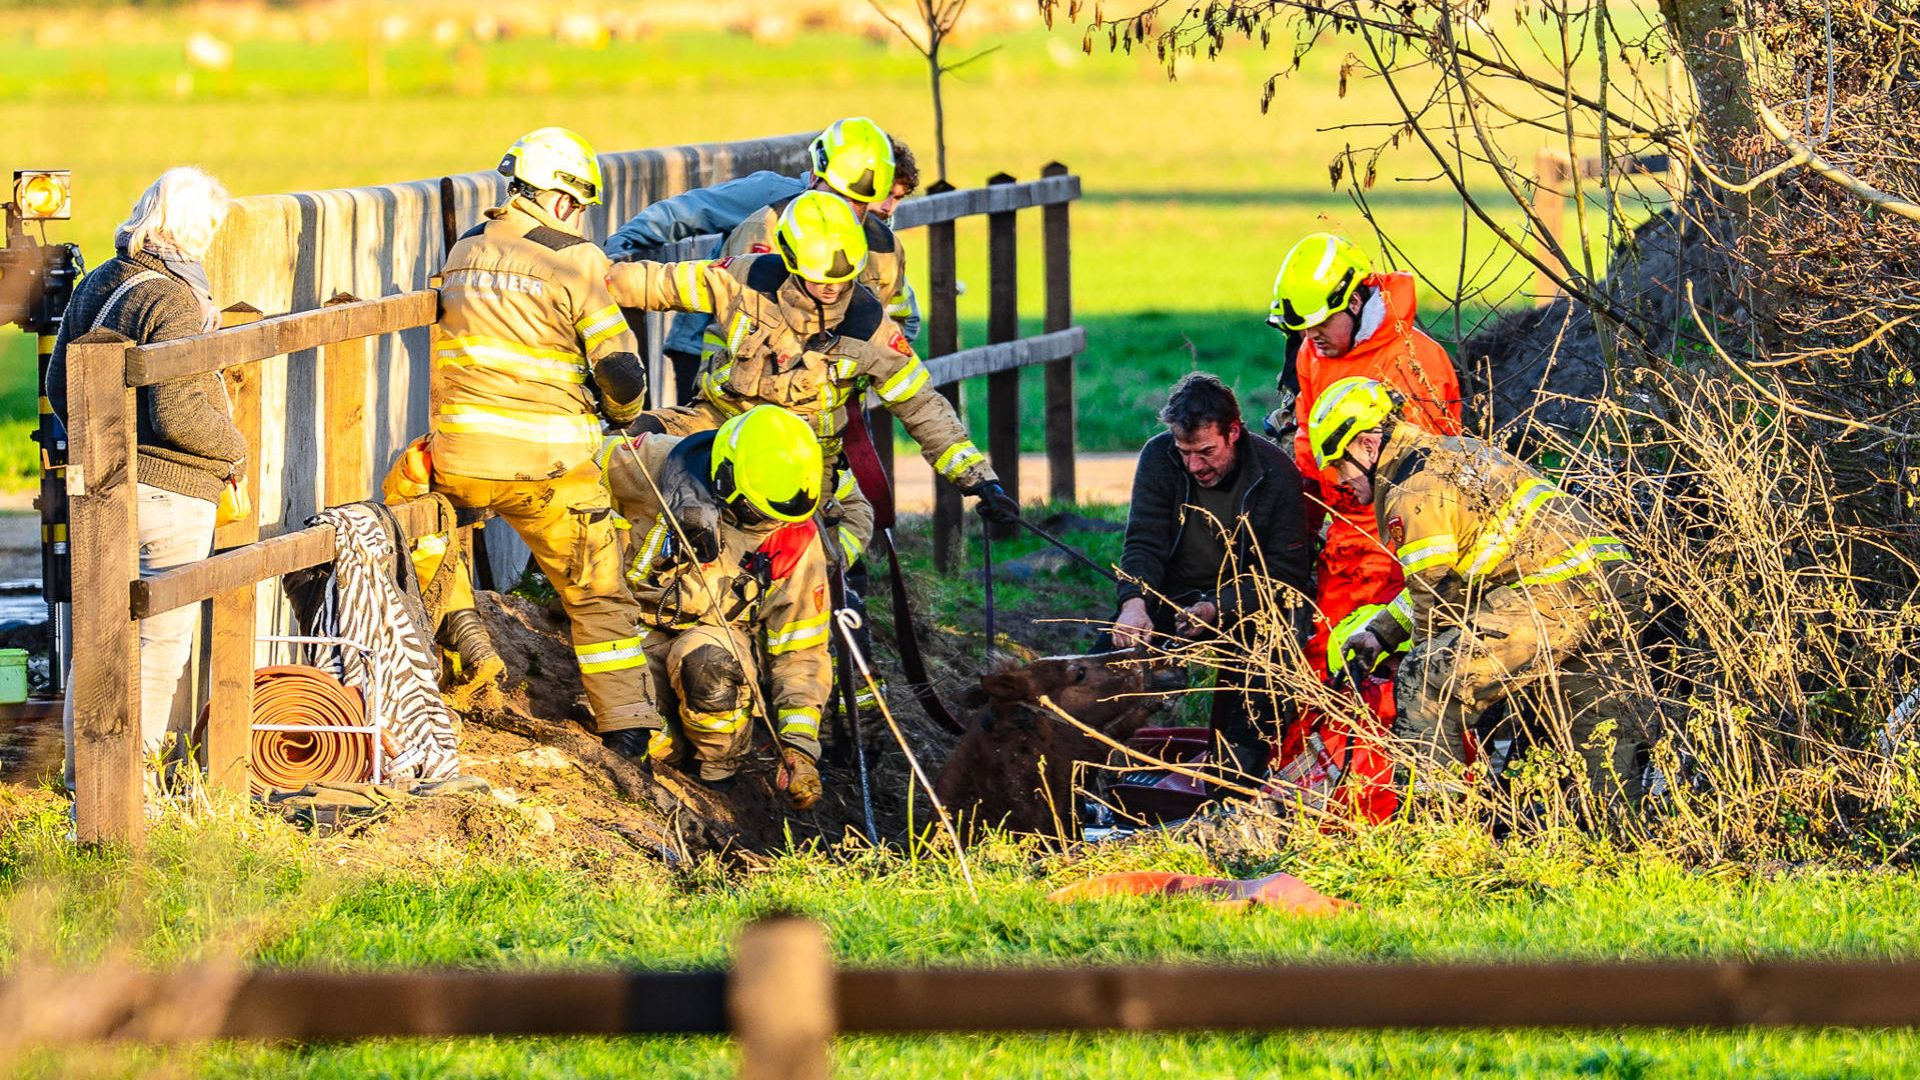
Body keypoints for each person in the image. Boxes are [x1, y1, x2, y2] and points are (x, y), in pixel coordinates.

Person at [606, 188, 1016, 566]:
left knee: (789, 558)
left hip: (799, 458)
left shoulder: (870, 327)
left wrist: (980, 482)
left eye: (843, 278)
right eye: (820, 278)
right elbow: (658, 283)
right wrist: (587, 274)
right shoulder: (744, 279)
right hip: (715, 425)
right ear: (790, 258)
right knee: (619, 450)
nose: (833, 289)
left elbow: (922, 405)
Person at [425, 126, 659, 750]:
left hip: (462, 460)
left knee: (415, 519)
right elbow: (620, 370)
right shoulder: (574, 259)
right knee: (598, 595)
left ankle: (462, 635)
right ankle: (628, 732)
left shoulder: (463, 249)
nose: (580, 219)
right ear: (561, 199)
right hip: (549, 469)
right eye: (580, 207)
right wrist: (625, 412)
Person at [1307, 377, 1646, 807]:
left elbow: (1435, 605)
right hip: (1612, 585)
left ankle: (1437, 824)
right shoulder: (1455, 452)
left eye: (1340, 464)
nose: (1340, 480)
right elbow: (1447, 581)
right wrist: (1380, 633)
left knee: (1424, 681)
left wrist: (1422, 662)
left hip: (1551, 594)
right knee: (1595, 725)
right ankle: (1616, 826)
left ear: (1368, 446)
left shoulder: (1413, 490)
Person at [49, 166, 247, 784]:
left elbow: (59, 384)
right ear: (193, 227)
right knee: (158, 649)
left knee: (97, 642)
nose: (211, 237)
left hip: (102, 490)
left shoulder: (100, 281)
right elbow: (178, 411)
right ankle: (133, 793)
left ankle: (85, 785)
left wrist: (106, 444)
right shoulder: (177, 299)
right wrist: (235, 449)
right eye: (209, 224)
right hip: (173, 494)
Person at [599, 405, 833, 807]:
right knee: (613, 721)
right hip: (630, 626)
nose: (769, 527)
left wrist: (799, 746)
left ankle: (714, 782)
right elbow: (569, 463)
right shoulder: (654, 465)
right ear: (725, 477)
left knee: (710, 666)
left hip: (716, 641)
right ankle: (667, 746)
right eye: (757, 515)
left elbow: (802, 653)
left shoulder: (794, 539)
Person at [605, 119, 922, 400]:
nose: (848, 209)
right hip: (705, 346)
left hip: (798, 374)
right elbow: (685, 212)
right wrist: (618, 252)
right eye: (841, 196)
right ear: (815, 175)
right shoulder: (769, 197)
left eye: (859, 202)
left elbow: (894, 310)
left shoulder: (873, 236)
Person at [1269, 233, 1464, 677]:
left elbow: (1429, 484)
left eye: (1321, 324)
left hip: (1398, 544)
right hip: (1343, 543)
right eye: (1305, 328)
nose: (1311, 337)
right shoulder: (1311, 354)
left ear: (1355, 301)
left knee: (1384, 671)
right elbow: (1308, 448)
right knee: (1327, 664)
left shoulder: (1415, 361)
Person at [1111, 373, 1311, 769]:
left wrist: (1217, 606)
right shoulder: (1158, 457)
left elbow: (1285, 573)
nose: (1193, 465)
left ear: (1233, 432)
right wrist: (1133, 603)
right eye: (1184, 452)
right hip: (1172, 596)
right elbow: (1144, 542)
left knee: (1264, 683)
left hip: (1251, 603)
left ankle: (1237, 777)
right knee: (1103, 668)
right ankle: (1095, 770)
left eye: (1205, 452)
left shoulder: (1276, 472)